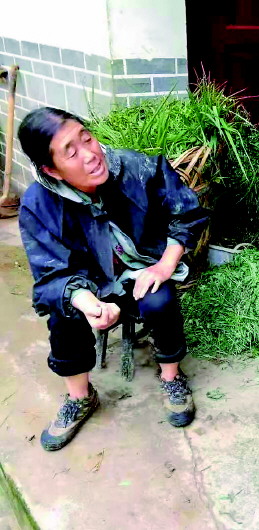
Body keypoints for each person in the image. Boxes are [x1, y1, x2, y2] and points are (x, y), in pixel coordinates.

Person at [17, 107, 208, 451]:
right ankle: (80, 397)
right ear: (51, 170)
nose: (90, 154)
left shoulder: (137, 168)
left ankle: (171, 376)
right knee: (62, 313)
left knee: (159, 298)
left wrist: (165, 265)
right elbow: (50, 273)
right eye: (71, 152)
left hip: (141, 268)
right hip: (88, 282)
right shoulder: (38, 203)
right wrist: (87, 302)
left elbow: (187, 213)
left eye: (86, 138)